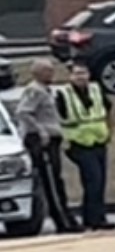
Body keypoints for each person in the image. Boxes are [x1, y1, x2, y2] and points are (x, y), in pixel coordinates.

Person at [16, 59, 80, 234]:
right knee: (51, 182)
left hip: (53, 139)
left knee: (57, 180)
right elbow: (23, 112)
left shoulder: (47, 90)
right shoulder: (34, 91)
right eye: (48, 71)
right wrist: (40, 131)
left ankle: (66, 218)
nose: (52, 74)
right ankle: (63, 221)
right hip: (42, 142)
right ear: (38, 73)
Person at [56, 61, 114, 231]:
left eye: (84, 73)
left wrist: (109, 132)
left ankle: (96, 217)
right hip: (78, 143)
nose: (81, 77)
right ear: (70, 76)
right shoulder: (63, 94)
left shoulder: (96, 90)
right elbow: (57, 117)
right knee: (93, 180)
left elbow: (107, 110)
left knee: (100, 181)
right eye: (77, 74)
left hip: (98, 141)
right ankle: (93, 218)